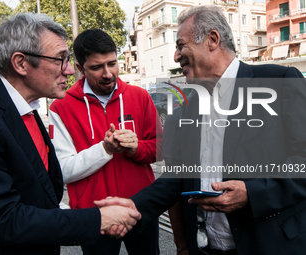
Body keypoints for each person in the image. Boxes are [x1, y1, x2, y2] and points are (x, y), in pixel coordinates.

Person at [95, 5, 306, 255]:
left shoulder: (280, 82)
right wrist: (133, 205)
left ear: (212, 40)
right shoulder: (191, 105)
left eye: (181, 45)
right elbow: (180, 177)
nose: (176, 56)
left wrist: (252, 193)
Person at [0, 13, 141, 255]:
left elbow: (38, 193)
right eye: (60, 59)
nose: (69, 70)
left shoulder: (23, 103)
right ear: (21, 63)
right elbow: (2, 219)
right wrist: (96, 219)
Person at [48, 29, 163, 255]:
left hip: (141, 208)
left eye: (112, 63)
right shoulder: (60, 108)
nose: (108, 73)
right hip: (94, 216)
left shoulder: (140, 97)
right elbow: (62, 170)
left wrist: (136, 148)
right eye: (97, 67)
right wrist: (105, 149)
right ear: (80, 68)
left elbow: (160, 150)